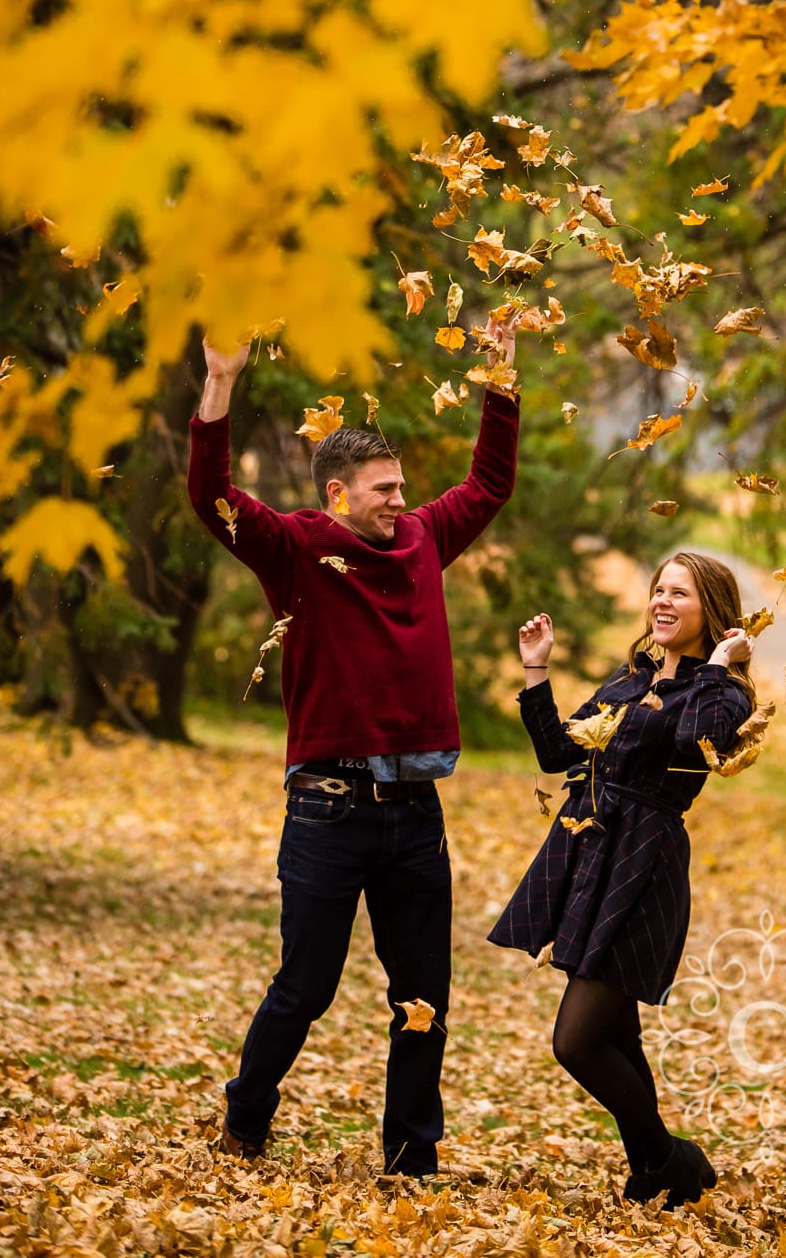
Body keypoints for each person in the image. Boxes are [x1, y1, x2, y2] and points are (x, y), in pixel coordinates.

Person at [187, 318, 520, 1175]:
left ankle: (411, 1159)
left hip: (415, 816)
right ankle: (245, 1120)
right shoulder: (297, 548)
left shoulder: (422, 541)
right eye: (382, 489)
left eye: (401, 484)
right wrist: (219, 387)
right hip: (327, 812)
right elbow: (212, 497)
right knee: (306, 988)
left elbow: (487, 483)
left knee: (423, 1001)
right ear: (337, 494)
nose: (399, 499)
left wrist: (500, 377)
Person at [488, 550, 755, 1209]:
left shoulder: (723, 694)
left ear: (711, 611)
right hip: (591, 849)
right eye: (658, 590)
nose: (662, 602)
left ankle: (672, 1159)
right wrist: (536, 666)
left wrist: (718, 667)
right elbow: (557, 752)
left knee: (576, 1041)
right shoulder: (629, 679)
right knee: (615, 1033)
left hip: (644, 862)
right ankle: (652, 1170)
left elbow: (700, 746)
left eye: (680, 594)